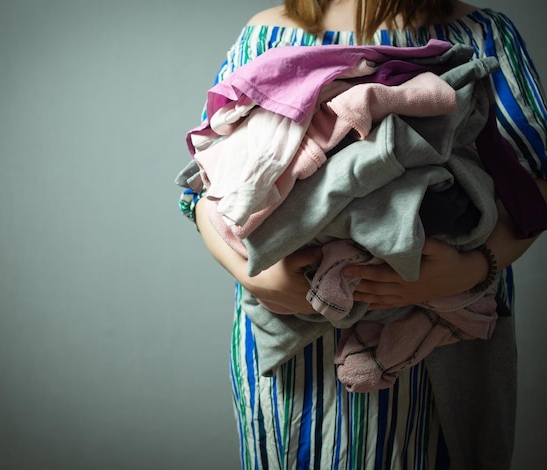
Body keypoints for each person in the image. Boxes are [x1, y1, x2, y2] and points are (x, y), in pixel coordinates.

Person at [177, 1, 547, 468]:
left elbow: (539, 184)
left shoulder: (481, 33)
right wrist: (254, 276)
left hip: (431, 365)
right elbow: (206, 193)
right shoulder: (264, 36)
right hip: (296, 361)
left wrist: (473, 267)